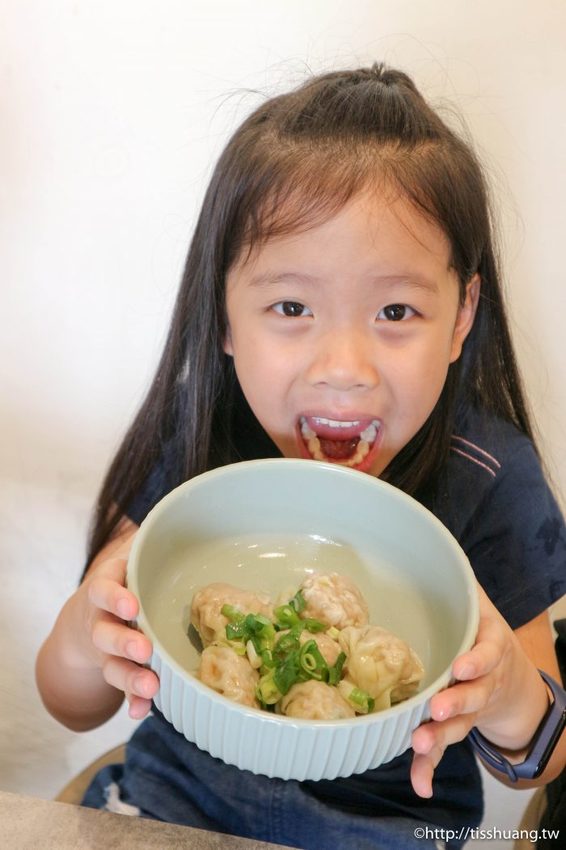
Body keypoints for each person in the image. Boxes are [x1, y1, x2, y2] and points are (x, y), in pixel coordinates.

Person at [36, 63, 566, 850]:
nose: (344, 366)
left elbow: (543, 760)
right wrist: (87, 633)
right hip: (167, 815)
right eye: (290, 307)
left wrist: (509, 693)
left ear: (461, 318)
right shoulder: (194, 443)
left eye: (395, 310)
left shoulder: (488, 476)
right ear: (223, 314)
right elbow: (72, 704)